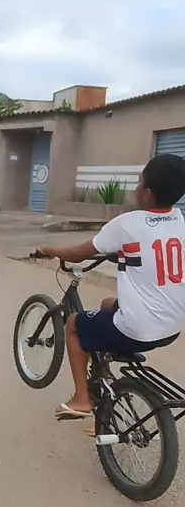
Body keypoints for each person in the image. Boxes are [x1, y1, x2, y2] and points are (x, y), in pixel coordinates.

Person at [37, 153, 185, 420]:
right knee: (108, 305)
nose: (136, 187)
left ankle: (82, 399)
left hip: (139, 329)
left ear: (148, 193)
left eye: (140, 182)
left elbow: (78, 254)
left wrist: (49, 249)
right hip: (172, 328)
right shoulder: (179, 220)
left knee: (73, 324)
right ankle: (102, 372)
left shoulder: (126, 224)